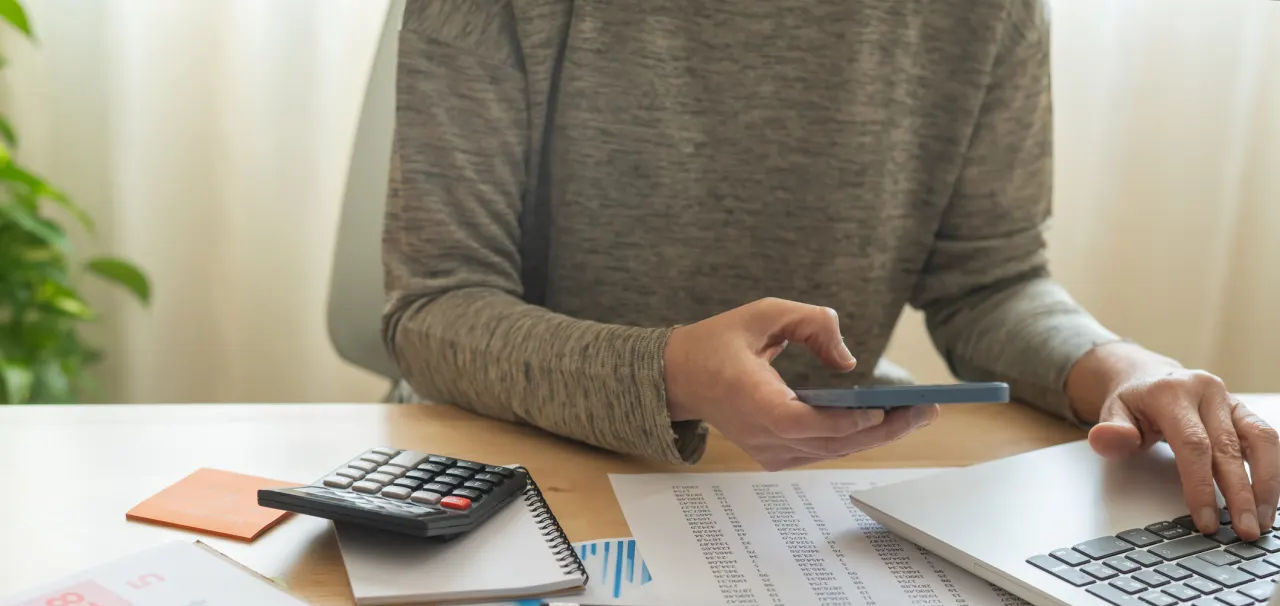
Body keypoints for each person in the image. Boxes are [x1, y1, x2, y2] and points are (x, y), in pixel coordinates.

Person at [380, 0, 1279, 540]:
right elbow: (433, 304)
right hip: (526, 476)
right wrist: (669, 374)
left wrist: (1122, 367)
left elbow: (987, 279)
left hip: (815, 502)